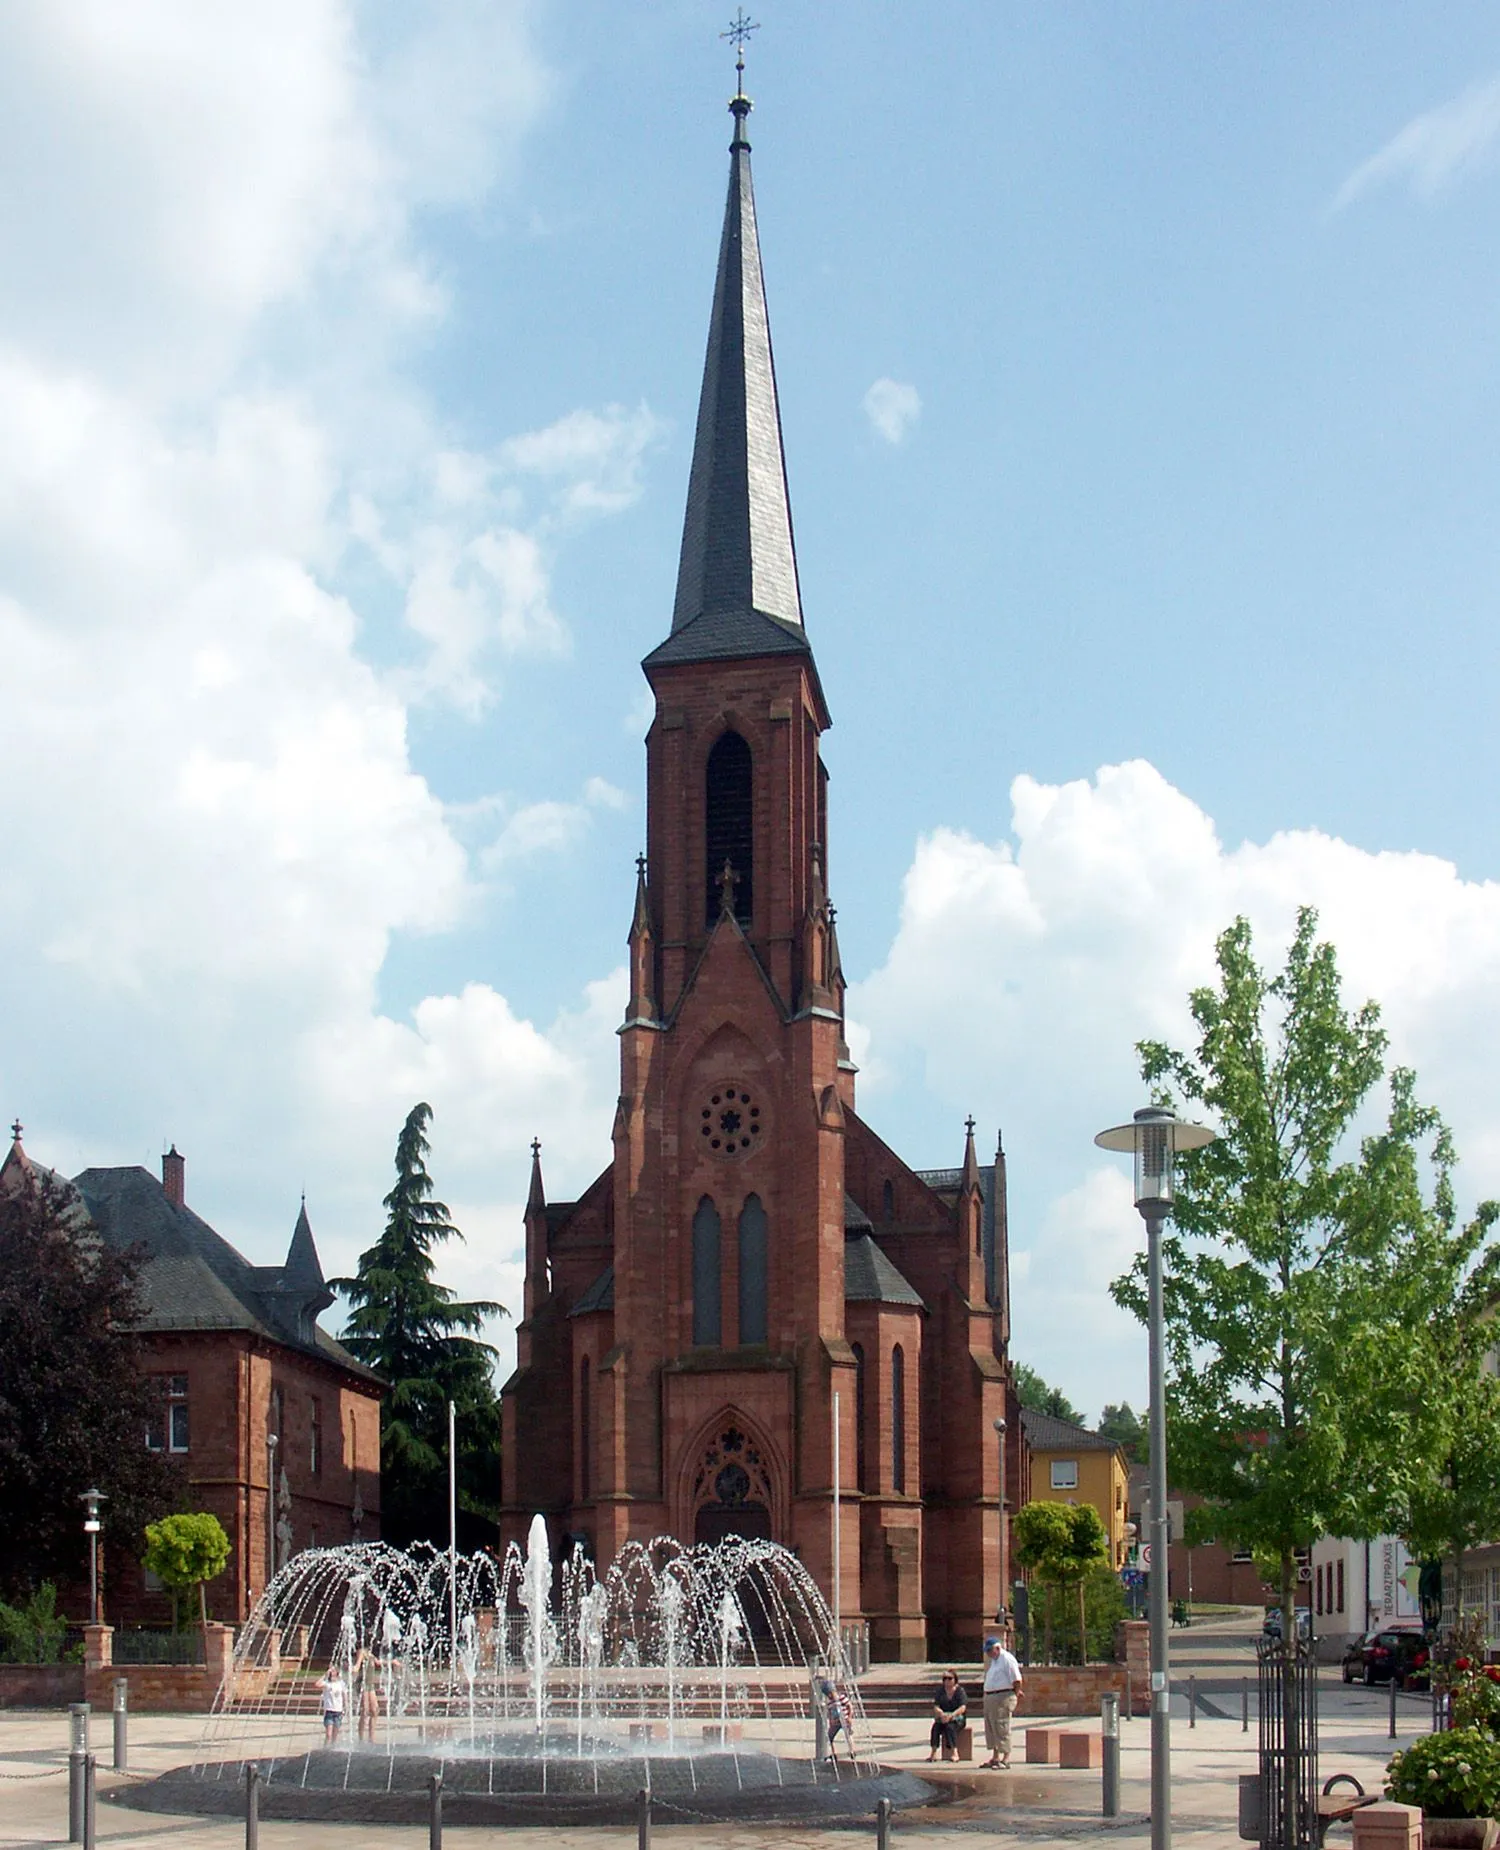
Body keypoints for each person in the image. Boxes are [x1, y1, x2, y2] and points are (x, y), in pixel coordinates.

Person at [980, 1632, 1023, 1769]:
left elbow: (1016, 1679)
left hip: (1003, 1696)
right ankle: (995, 1757)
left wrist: (1015, 1694)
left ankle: (1005, 1759)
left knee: (1002, 1727)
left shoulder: (1007, 1659)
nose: (988, 1653)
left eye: (990, 1650)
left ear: (997, 1648)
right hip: (991, 1696)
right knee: (992, 1727)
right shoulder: (994, 1661)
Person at [928, 1669, 968, 1761]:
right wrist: (941, 1714)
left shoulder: (959, 1691)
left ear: (955, 1680)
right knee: (936, 1727)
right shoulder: (940, 1691)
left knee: (950, 1727)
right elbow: (936, 1706)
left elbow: (962, 1707)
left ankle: (954, 1752)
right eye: (945, 1679)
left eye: (950, 1678)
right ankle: (933, 1753)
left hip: (957, 1718)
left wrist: (952, 1715)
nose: (947, 1681)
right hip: (943, 1717)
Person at [817, 1675, 853, 1765]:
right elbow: (829, 1712)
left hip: (844, 1720)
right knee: (830, 1737)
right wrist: (830, 1721)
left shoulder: (842, 1698)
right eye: (828, 1695)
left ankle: (852, 1750)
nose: (830, 1696)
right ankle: (833, 1754)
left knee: (848, 1735)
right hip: (835, 1722)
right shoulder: (830, 1702)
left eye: (830, 1694)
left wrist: (849, 1717)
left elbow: (850, 1706)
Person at [352, 1647, 380, 1743]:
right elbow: (357, 1665)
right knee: (366, 1710)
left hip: (370, 1684)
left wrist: (392, 1662)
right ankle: (361, 1738)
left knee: (375, 1710)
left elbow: (378, 1663)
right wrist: (354, 1670)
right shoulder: (362, 1652)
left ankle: (371, 1738)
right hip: (363, 1684)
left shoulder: (370, 1653)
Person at [319, 1665, 348, 1747]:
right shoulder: (327, 1684)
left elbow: (344, 1695)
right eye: (330, 1671)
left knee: (334, 1736)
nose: (332, 1672)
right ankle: (325, 1749)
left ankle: (332, 1749)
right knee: (328, 1734)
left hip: (338, 1711)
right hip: (329, 1711)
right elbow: (317, 1684)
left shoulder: (341, 1683)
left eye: (333, 1671)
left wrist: (346, 1707)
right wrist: (325, 1675)